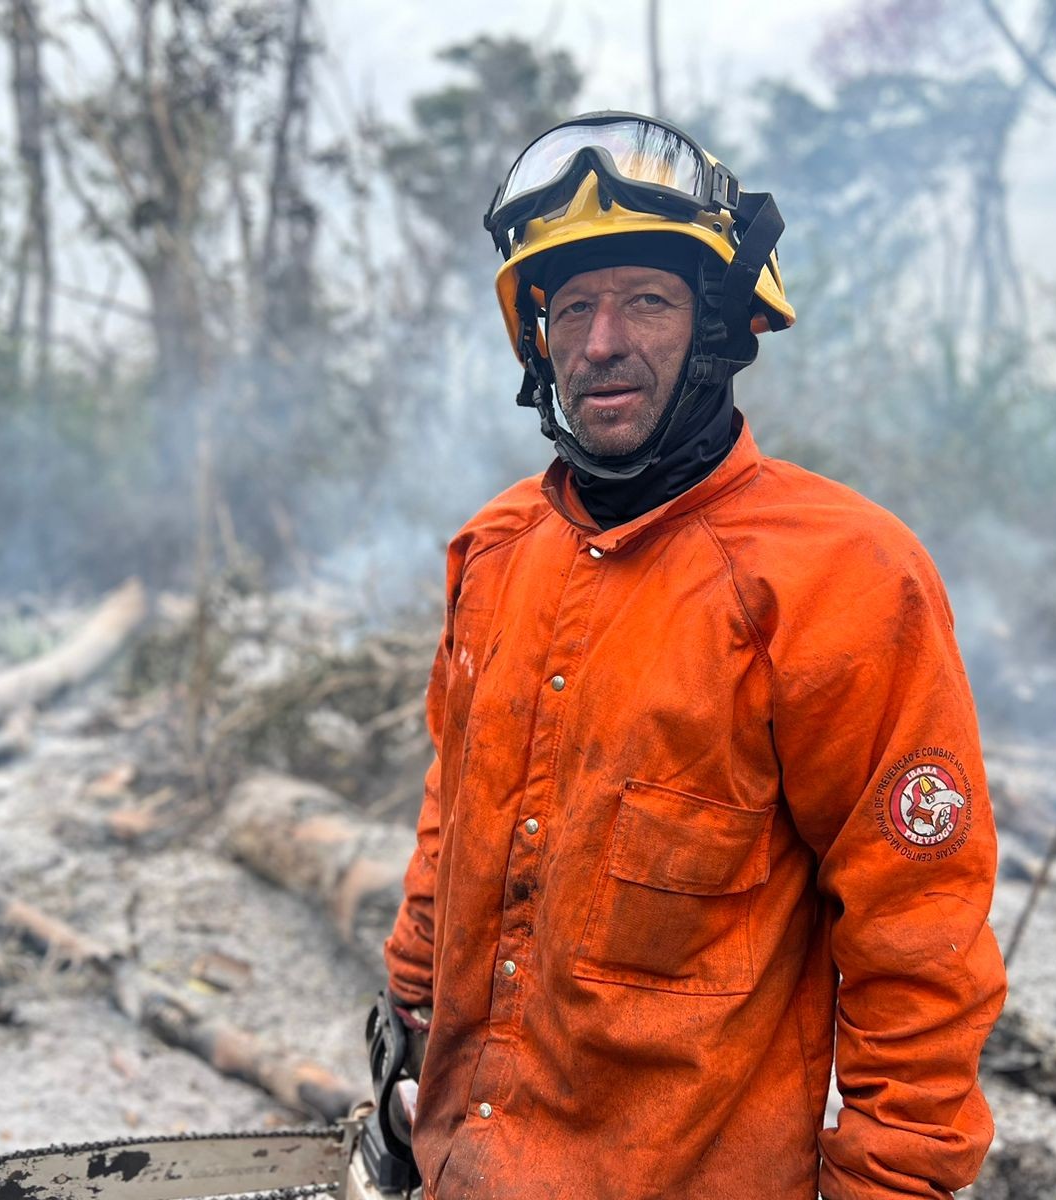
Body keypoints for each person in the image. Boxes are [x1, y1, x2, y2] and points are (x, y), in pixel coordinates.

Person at [380, 112, 1006, 1200]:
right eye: (571, 306)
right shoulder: (493, 553)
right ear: (535, 339)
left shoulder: (841, 579)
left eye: (647, 301)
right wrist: (408, 1006)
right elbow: (453, 804)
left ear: (717, 325)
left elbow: (920, 934)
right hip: (465, 1166)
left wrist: (892, 1181)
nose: (601, 340)